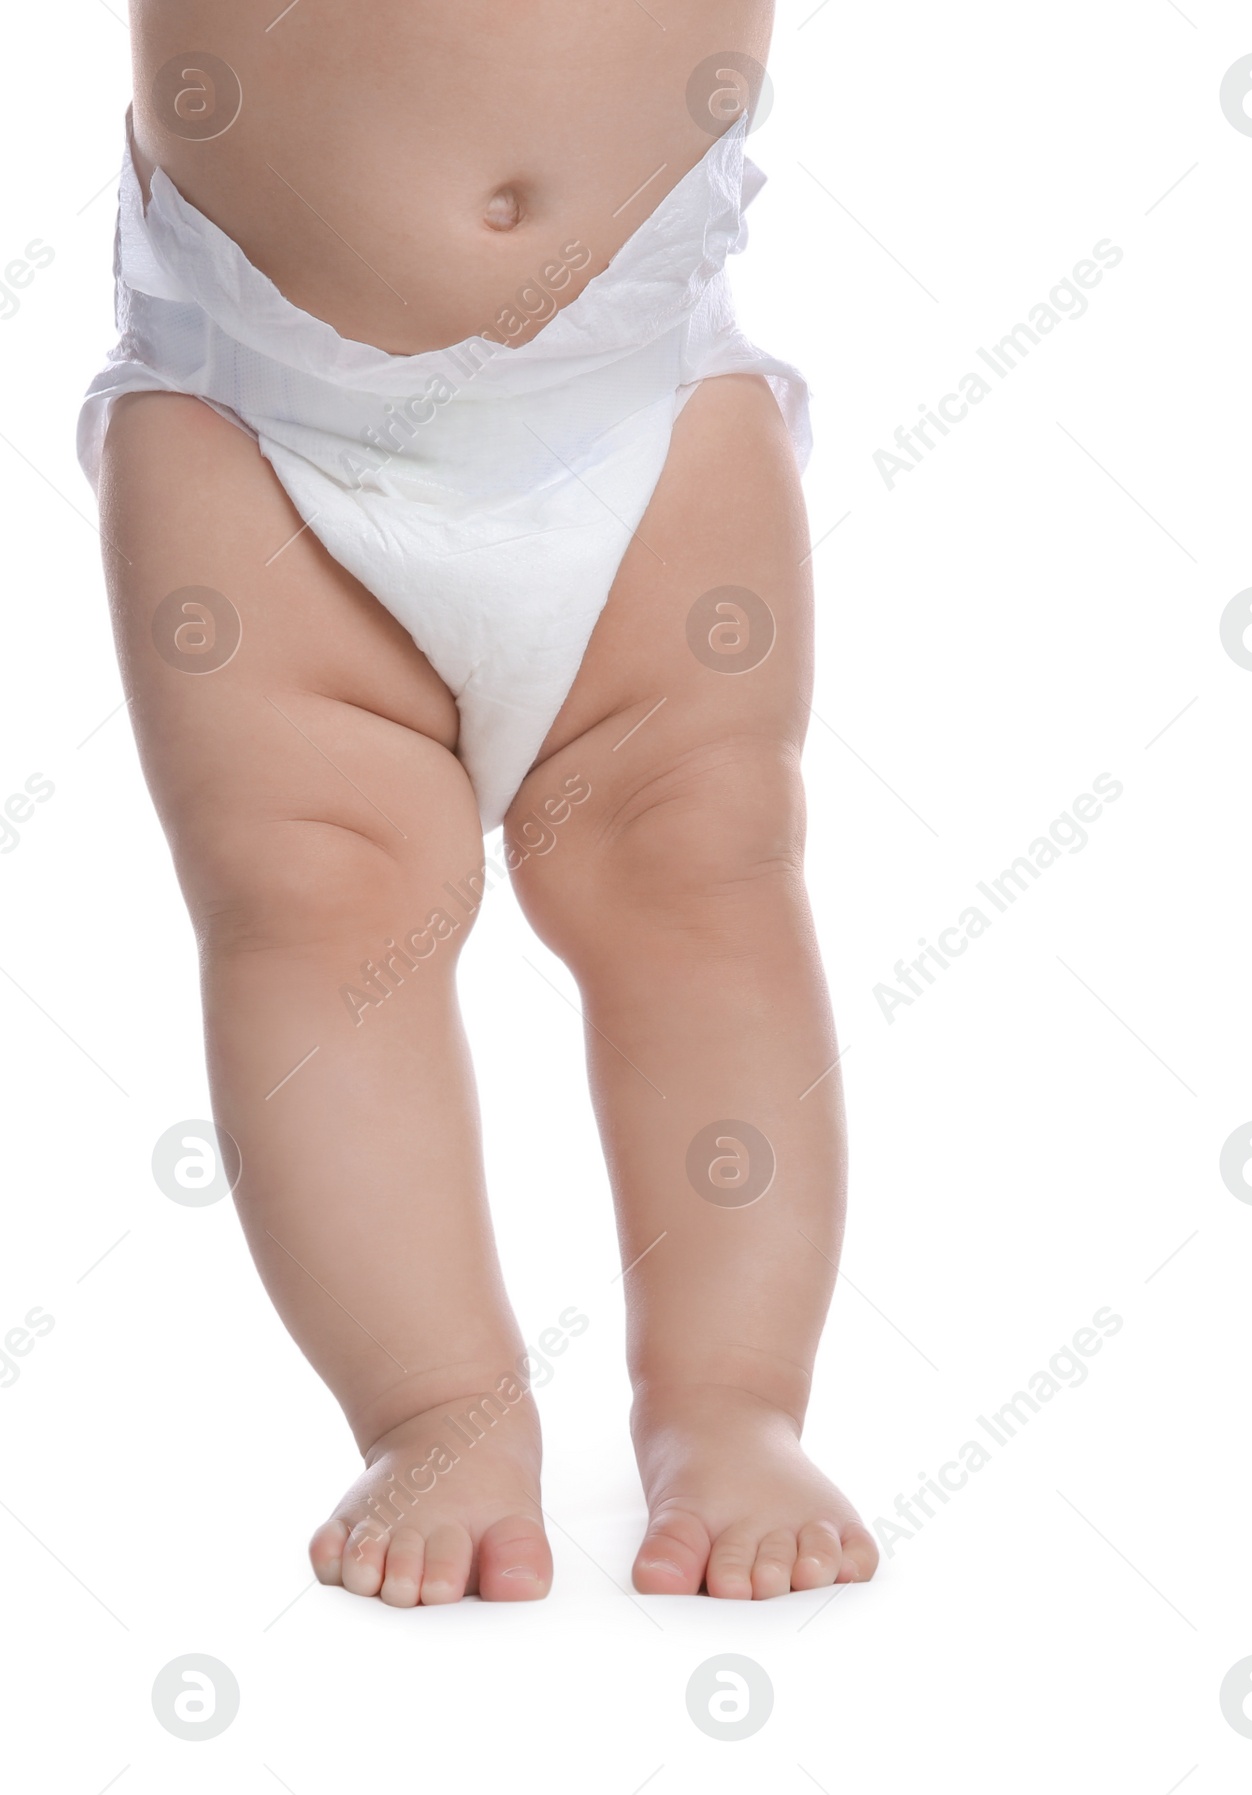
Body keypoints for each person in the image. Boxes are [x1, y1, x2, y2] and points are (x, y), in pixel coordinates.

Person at [79, 0, 879, 1604]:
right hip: (259, 423)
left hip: (642, 395)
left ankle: (732, 1400)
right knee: (315, 914)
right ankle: (435, 1404)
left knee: (704, 881)